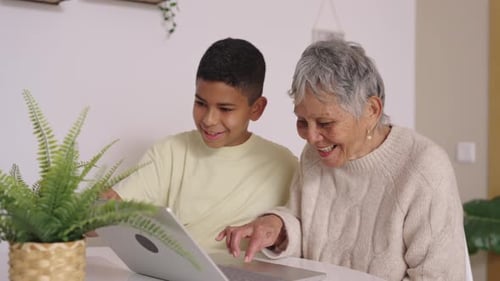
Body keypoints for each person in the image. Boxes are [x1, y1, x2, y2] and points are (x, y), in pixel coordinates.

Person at [217, 38, 466, 280]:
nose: (312, 137)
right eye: (302, 121)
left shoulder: (424, 169)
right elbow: (306, 226)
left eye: (325, 123)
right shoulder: (314, 156)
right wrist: (277, 227)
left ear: (371, 111)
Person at [102, 38, 298, 253]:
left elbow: (296, 238)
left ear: (256, 109)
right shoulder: (169, 152)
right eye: (200, 103)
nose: (209, 120)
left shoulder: (285, 165)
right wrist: (97, 211)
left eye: (225, 108)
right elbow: (110, 214)